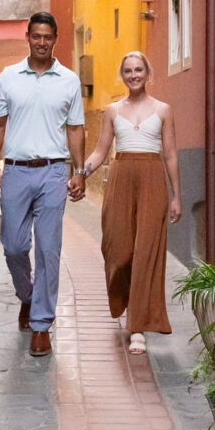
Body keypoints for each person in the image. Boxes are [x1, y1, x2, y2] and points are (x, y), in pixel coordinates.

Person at [0, 12, 86, 357]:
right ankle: (27, 295)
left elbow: (74, 130)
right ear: (28, 36)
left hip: (54, 172)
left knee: (48, 249)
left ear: (55, 39)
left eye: (48, 37)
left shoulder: (69, 80)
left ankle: (42, 324)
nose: (42, 42)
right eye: (36, 36)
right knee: (12, 245)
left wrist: (79, 171)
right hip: (15, 171)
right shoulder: (9, 78)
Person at [80, 51, 181, 354]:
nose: (134, 75)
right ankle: (124, 299)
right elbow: (100, 151)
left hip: (153, 181)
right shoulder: (112, 111)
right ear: (122, 75)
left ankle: (136, 326)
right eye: (128, 71)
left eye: (138, 70)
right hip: (121, 180)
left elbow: (171, 155)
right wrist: (81, 173)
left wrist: (177, 195)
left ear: (147, 73)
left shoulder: (163, 110)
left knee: (146, 253)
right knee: (120, 251)